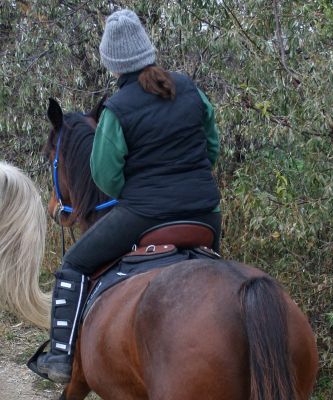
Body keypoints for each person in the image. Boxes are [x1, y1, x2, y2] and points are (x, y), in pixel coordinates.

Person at [33, 9, 221, 383]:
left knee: (73, 263)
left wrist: (137, 189)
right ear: (148, 50)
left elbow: (105, 175)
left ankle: (60, 356)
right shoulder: (189, 88)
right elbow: (211, 147)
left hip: (146, 214)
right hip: (205, 214)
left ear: (113, 64)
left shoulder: (117, 109)